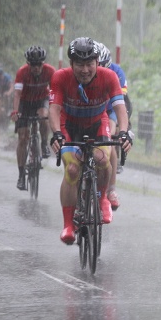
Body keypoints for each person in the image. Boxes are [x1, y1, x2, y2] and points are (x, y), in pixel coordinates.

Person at [49, 37, 132, 245]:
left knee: (104, 160)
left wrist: (123, 132)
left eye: (89, 64)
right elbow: (54, 109)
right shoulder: (60, 77)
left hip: (97, 124)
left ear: (97, 62)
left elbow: (120, 108)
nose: (85, 70)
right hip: (70, 126)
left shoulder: (109, 76)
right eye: (79, 64)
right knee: (72, 171)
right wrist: (57, 133)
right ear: (71, 64)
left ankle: (102, 197)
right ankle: (68, 224)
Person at [11, 46, 57, 190]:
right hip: (25, 102)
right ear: (28, 63)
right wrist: (15, 111)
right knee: (23, 137)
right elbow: (17, 94)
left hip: (41, 100)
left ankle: (44, 143)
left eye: (39, 64)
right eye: (33, 65)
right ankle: (20, 175)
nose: (36, 68)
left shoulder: (50, 71)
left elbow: (55, 91)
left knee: (44, 115)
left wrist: (55, 109)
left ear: (43, 63)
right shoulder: (22, 72)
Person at [93, 41, 131, 211]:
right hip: (91, 108)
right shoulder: (84, 71)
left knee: (109, 140)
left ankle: (111, 190)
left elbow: (120, 102)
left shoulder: (117, 72)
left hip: (110, 108)